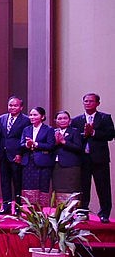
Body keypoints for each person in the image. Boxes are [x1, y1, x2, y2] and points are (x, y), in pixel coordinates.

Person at [71, 93, 115, 223]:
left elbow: (111, 134)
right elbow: (74, 137)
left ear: (97, 103)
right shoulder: (77, 120)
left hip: (100, 159)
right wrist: (85, 134)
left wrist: (94, 133)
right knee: (83, 186)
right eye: (85, 101)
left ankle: (104, 213)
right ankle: (83, 211)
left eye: (91, 101)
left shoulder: (105, 118)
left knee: (103, 186)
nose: (88, 103)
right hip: (83, 158)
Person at [0, 96, 30, 213]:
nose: (12, 107)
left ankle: (18, 208)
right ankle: (6, 207)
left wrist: (20, 153)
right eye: (10, 105)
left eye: (15, 105)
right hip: (3, 154)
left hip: (17, 155)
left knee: (17, 183)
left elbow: (25, 138)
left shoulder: (26, 120)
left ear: (21, 107)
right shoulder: (1, 118)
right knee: (4, 182)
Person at [20, 107, 56, 207]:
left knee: (42, 188)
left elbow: (50, 145)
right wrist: (27, 144)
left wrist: (35, 144)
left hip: (42, 163)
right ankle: (30, 213)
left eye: (35, 115)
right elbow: (21, 144)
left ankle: (40, 214)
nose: (32, 117)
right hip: (28, 162)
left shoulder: (48, 129)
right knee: (29, 188)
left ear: (42, 116)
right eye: (30, 115)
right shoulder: (26, 129)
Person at [52, 110, 84, 204]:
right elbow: (50, 147)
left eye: (65, 118)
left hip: (71, 165)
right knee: (58, 189)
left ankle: (71, 213)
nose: (62, 120)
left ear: (69, 120)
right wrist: (55, 143)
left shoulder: (75, 132)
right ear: (56, 121)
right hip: (56, 165)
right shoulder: (53, 132)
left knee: (71, 189)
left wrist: (64, 142)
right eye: (60, 118)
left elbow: (79, 148)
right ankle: (60, 214)